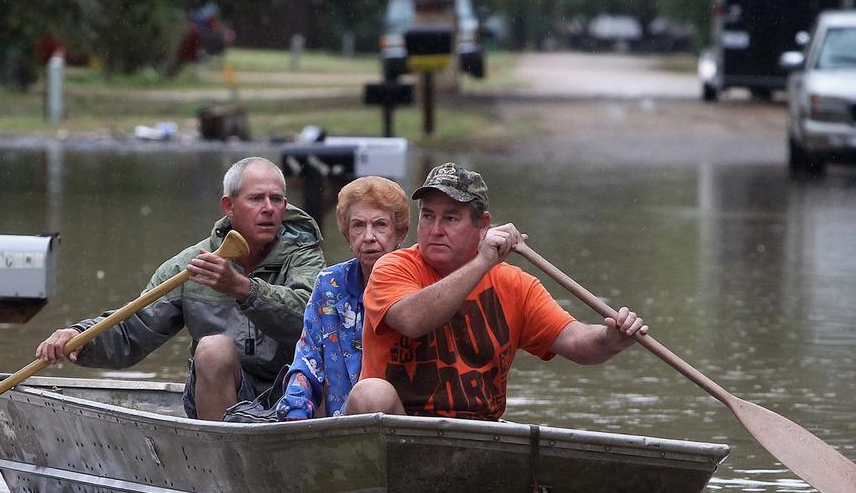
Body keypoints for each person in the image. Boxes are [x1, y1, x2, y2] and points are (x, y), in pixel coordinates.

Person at [344, 162, 648, 421]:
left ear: (483, 226)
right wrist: (482, 262)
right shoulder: (392, 267)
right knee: (371, 392)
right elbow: (412, 320)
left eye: (450, 218)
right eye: (428, 216)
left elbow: (575, 341)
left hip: (479, 434)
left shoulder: (516, 285)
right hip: (402, 432)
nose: (435, 229)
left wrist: (611, 339)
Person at [35, 157, 325, 421]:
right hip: (222, 399)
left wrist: (242, 289)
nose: (268, 208)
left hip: (293, 393)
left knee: (330, 362)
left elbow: (308, 318)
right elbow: (134, 329)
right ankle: (218, 459)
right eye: (256, 199)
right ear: (229, 206)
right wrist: (80, 336)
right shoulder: (190, 266)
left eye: (276, 200)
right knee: (213, 348)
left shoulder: (305, 257)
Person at [276, 176, 410, 420]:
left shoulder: (418, 280)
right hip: (339, 428)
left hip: (403, 428)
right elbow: (308, 359)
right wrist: (294, 412)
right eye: (358, 226)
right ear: (347, 235)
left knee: (372, 396)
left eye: (380, 225)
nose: (368, 236)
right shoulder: (329, 283)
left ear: (400, 233)